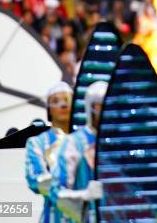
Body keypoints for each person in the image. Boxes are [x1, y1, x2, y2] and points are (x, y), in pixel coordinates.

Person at [51, 81, 106, 222]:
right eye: (100, 106)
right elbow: (57, 192)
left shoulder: (115, 143)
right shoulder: (74, 142)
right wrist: (84, 194)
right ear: (90, 107)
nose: (105, 112)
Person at [25, 81, 73, 223]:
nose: (63, 105)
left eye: (67, 100)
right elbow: (35, 181)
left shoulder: (84, 140)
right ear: (48, 109)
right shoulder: (37, 143)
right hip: (54, 215)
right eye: (56, 101)